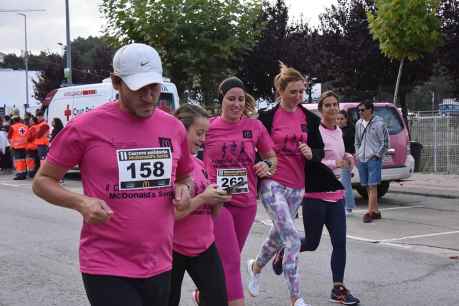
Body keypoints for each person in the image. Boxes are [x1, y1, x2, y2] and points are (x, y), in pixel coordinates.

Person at [32, 42, 194, 306]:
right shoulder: (85, 127)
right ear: (117, 83)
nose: (149, 96)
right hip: (106, 264)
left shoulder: (173, 128)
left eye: (154, 87)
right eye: (139, 89)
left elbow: (186, 177)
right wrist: (80, 202)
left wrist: (186, 189)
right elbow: (42, 181)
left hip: (160, 261)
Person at [272, 91, 360, 305]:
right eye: (327, 105)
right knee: (311, 243)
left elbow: (340, 156)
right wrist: (334, 164)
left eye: (334, 104)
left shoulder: (338, 132)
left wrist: (348, 158)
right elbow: (311, 162)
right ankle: (284, 251)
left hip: (336, 195)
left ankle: (337, 288)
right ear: (321, 110)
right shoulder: (314, 131)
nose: (332, 108)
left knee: (340, 243)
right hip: (315, 195)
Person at [248, 63, 324, 306]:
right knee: (292, 239)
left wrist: (311, 153)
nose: (298, 96)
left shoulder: (310, 119)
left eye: (302, 91)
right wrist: (261, 164)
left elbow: (320, 151)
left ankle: (256, 267)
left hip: (297, 186)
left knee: (278, 237)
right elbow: (254, 148)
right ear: (280, 91)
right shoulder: (268, 118)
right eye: (293, 92)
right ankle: (296, 297)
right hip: (273, 182)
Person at [202, 76, 276, 306]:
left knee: (228, 259)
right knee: (232, 261)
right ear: (221, 100)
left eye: (241, 99)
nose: (236, 104)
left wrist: (267, 166)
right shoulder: (209, 127)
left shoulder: (254, 127)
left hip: (246, 203)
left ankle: (204, 296)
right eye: (231, 99)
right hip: (218, 201)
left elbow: (272, 158)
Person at [168, 104, 231, 306]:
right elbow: (169, 215)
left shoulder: (200, 164)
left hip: (204, 245)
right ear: (181, 129)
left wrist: (218, 200)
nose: (203, 139)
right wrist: (203, 197)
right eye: (199, 133)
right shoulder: (169, 164)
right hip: (172, 248)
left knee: (218, 300)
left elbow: (210, 214)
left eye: (206, 133)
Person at [354, 100, 389, 223]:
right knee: (367, 186)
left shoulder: (379, 124)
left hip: (373, 159)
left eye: (362, 110)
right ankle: (376, 211)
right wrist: (358, 153)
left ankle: (369, 213)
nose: (360, 112)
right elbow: (357, 141)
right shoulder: (358, 123)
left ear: (370, 110)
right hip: (362, 159)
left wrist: (377, 155)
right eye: (359, 110)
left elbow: (385, 142)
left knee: (372, 185)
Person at [336, 110, 356, 215]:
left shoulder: (349, 130)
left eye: (341, 119)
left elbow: (350, 147)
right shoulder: (337, 130)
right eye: (337, 119)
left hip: (346, 159)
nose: (339, 121)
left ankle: (348, 207)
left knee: (345, 183)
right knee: (342, 183)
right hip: (339, 160)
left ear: (346, 119)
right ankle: (345, 206)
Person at [8, 115, 28, 180]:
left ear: (13, 120)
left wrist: (11, 144)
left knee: (18, 160)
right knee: (23, 160)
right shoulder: (25, 126)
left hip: (17, 146)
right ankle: (24, 173)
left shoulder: (13, 127)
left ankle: (20, 174)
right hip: (25, 145)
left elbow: (9, 136)